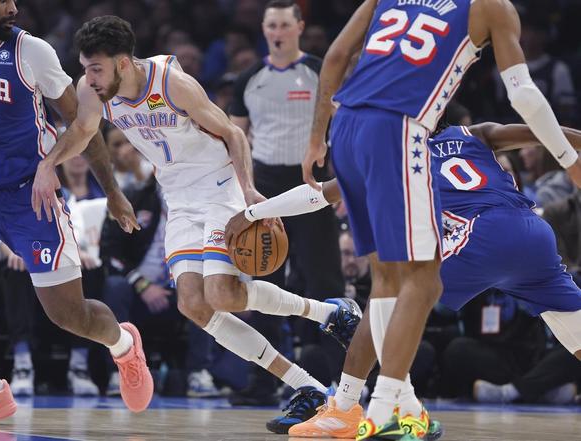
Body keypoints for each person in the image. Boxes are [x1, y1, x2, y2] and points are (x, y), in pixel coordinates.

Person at [31, 15, 361, 434]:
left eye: (96, 68)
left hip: (220, 186)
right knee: (193, 305)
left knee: (221, 294)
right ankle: (308, 386)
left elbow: (234, 135)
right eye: (85, 68)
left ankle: (329, 312)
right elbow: (82, 131)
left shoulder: (171, 83)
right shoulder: (92, 89)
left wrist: (248, 190)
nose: (89, 78)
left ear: (124, 63)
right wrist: (50, 164)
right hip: (179, 197)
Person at [298, 0, 581, 438]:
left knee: (393, 287)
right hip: (527, 230)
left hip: (353, 129)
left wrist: (314, 142)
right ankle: (392, 406)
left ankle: (357, 406)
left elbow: (334, 57)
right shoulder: (476, 129)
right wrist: (572, 163)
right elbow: (533, 111)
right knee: (413, 284)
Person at [226, 121, 581, 439]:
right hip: (533, 231)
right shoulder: (475, 134)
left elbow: (319, 194)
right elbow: (543, 130)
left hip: (483, 233)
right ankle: (382, 401)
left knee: (388, 296)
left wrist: (255, 212)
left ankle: (345, 407)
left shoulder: (399, 158)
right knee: (573, 326)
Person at [0, 0, 152, 425]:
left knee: (69, 315)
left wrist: (112, 191)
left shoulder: (31, 51)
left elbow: (83, 123)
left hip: (29, 195)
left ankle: (123, 345)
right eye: (2, 0)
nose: (13, 7)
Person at [229, 0, 345, 407]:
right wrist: (242, 191)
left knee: (326, 284)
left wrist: (343, 184)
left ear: (299, 27)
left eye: (283, 25)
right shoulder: (249, 78)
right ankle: (265, 383)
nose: (277, 32)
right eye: (271, 26)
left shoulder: (318, 70)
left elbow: (343, 125)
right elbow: (236, 140)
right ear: (264, 30)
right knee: (261, 287)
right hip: (266, 188)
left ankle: (345, 380)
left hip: (312, 183)